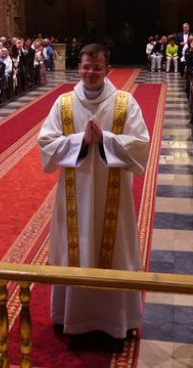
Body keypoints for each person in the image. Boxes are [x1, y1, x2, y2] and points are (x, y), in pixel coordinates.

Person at [37, 43, 151, 338]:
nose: (91, 73)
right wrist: (81, 141)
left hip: (114, 196)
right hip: (73, 193)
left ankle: (115, 321)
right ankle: (71, 318)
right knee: (76, 248)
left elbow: (141, 144)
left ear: (107, 69)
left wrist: (106, 140)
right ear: (79, 68)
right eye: (86, 67)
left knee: (115, 250)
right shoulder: (63, 103)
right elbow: (46, 143)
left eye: (97, 68)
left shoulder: (125, 102)